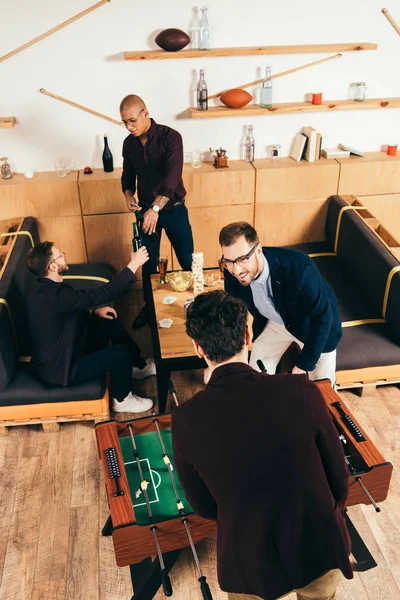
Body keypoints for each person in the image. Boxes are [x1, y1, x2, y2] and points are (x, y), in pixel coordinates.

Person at [172, 290, 353, 600]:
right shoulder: (301, 390)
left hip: (249, 560)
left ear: (197, 347)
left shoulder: (185, 419)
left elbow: (204, 505)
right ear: (247, 335)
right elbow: (338, 475)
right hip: (318, 546)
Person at [26, 241, 155, 413]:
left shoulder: (44, 288)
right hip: (62, 368)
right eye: (60, 255)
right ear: (52, 267)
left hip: (68, 348)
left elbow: (61, 316)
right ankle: (122, 399)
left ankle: (138, 367)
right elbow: (105, 292)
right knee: (121, 354)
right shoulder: (56, 295)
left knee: (109, 319)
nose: (64, 255)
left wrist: (94, 313)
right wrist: (133, 265)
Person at [219, 222, 342, 386]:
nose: (236, 270)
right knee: (254, 380)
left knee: (322, 391)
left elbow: (322, 318)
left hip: (314, 327)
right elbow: (233, 318)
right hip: (274, 323)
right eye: (229, 261)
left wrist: (303, 366)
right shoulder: (232, 276)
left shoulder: (300, 269)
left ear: (258, 250)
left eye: (242, 259)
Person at [120, 94, 194, 329]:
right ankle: (150, 308)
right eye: (125, 123)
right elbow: (127, 177)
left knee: (187, 259)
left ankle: (196, 308)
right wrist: (129, 196)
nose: (130, 127)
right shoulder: (128, 144)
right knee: (148, 264)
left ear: (145, 113)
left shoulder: (171, 137)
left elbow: (172, 178)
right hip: (145, 213)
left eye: (133, 120)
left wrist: (155, 208)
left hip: (173, 211)